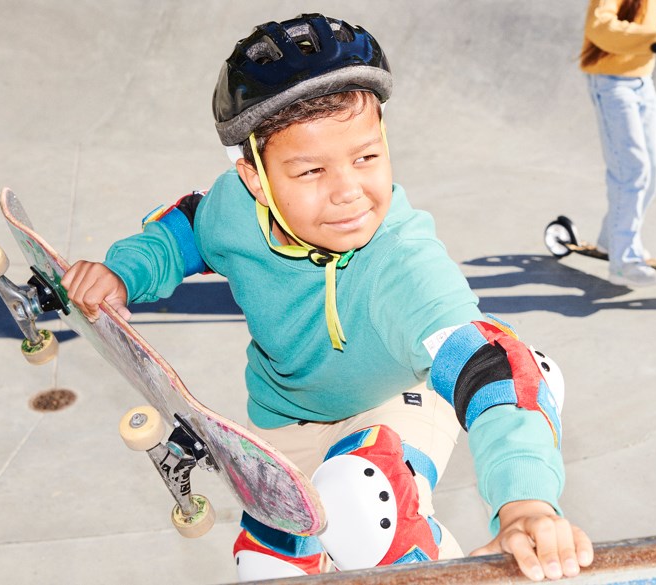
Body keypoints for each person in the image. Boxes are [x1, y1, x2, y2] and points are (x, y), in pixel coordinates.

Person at [61, 14, 592, 582]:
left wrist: (526, 504)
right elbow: (185, 228)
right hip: (286, 427)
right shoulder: (233, 210)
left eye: (367, 158)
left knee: (362, 499)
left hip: (398, 400)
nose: (348, 192)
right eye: (311, 170)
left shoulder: (403, 265)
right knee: (264, 565)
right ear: (256, 180)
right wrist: (123, 273)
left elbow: (491, 366)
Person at [580, 0, 656, 287]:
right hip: (611, 83)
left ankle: (611, 240)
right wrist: (651, 37)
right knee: (632, 171)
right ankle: (623, 263)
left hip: (642, 81)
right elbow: (601, 26)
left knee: (650, 173)